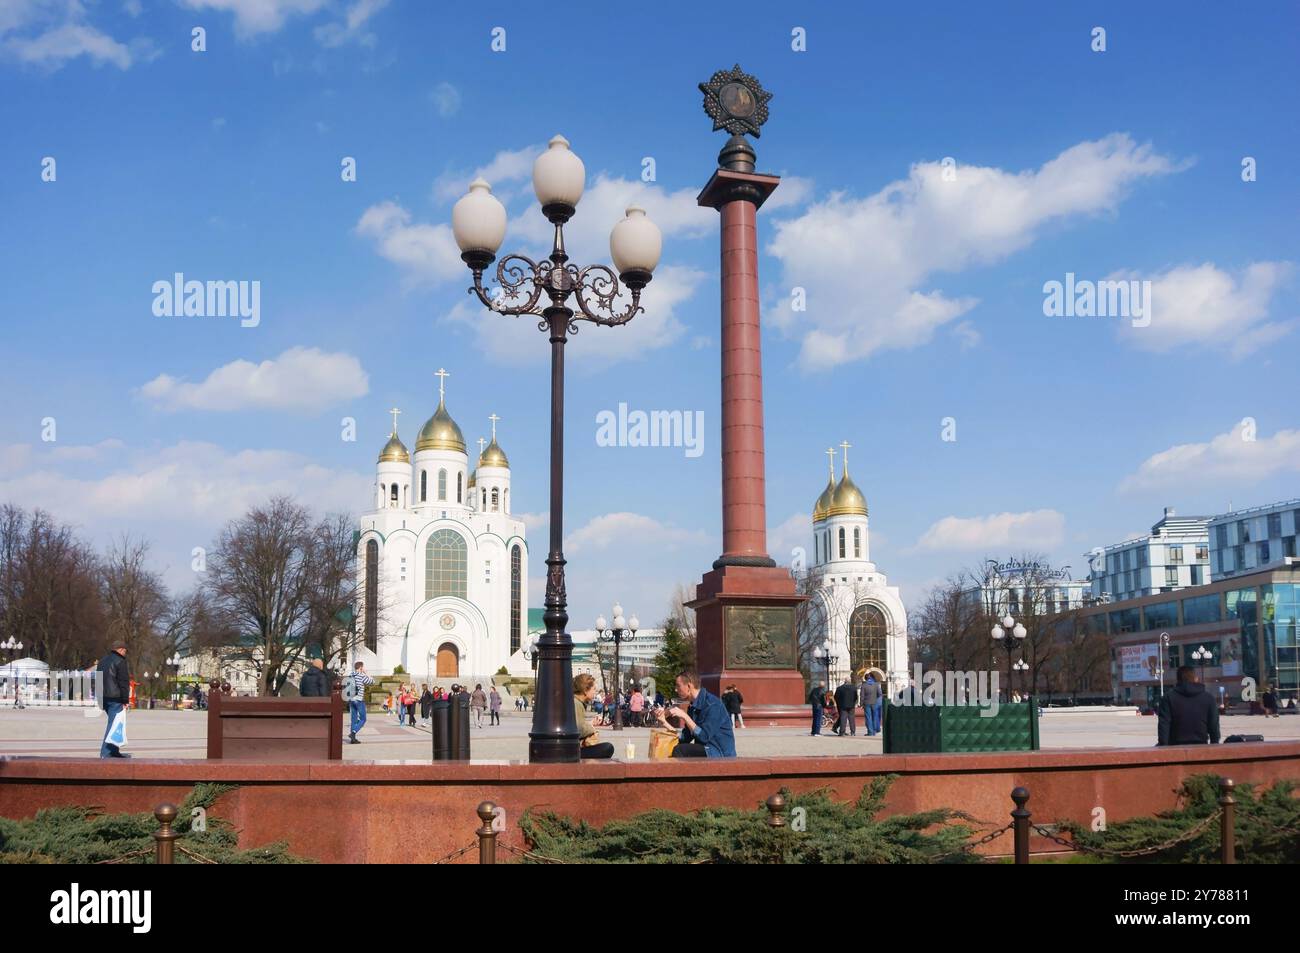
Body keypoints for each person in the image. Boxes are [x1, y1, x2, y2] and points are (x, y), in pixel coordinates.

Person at [654, 669, 736, 758]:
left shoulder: (713, 705)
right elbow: (684, 739)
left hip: (719, 753)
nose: (676, 690)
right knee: (671, 748)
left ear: (689, 686)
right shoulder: (693, 707)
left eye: (678, 686)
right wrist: (664, 722)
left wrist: (685, 716)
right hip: (707, 750)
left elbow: (704, 737)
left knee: (680, 750)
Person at [1157, 666, 1221, 746]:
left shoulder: (1168, 698)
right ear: (1195, 678)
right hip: (1201, 747)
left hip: (1175, 747)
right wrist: (1214, 746)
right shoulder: (1209, 698)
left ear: (1178, 679)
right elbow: (1214, 726)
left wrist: (1164, 747)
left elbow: (1164, 725)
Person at [96, 641, 132, 759]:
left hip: (103, 697)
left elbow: (98, 680)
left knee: (115, 724)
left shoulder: (102, 661)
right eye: (125, 650)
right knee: (113, 725)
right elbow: (123, 682)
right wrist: (125, 700)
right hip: (115, 697)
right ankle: (106, 753)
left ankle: (114, 751)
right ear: (121, 649)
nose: (125, 653)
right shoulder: (120, 661)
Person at [574, 673, 615, 759]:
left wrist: (590, 723)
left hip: (570, 748)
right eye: (593, 689)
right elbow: (578, 730)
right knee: (608, 748)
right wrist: (592, 729)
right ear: (585, 690)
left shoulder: (576, 702)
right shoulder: (576, 704)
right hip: (572, 751)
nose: (595, 692)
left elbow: (576, 724)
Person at [348, 662, 373, 744]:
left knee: (353, 719)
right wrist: (367, 673)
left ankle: (353, 739)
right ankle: (353, 732)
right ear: (361, 668)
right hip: (359, 700)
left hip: (351, 699)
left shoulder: (351, 675)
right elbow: (372, 681)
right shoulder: (361, 676)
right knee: (363, 719)